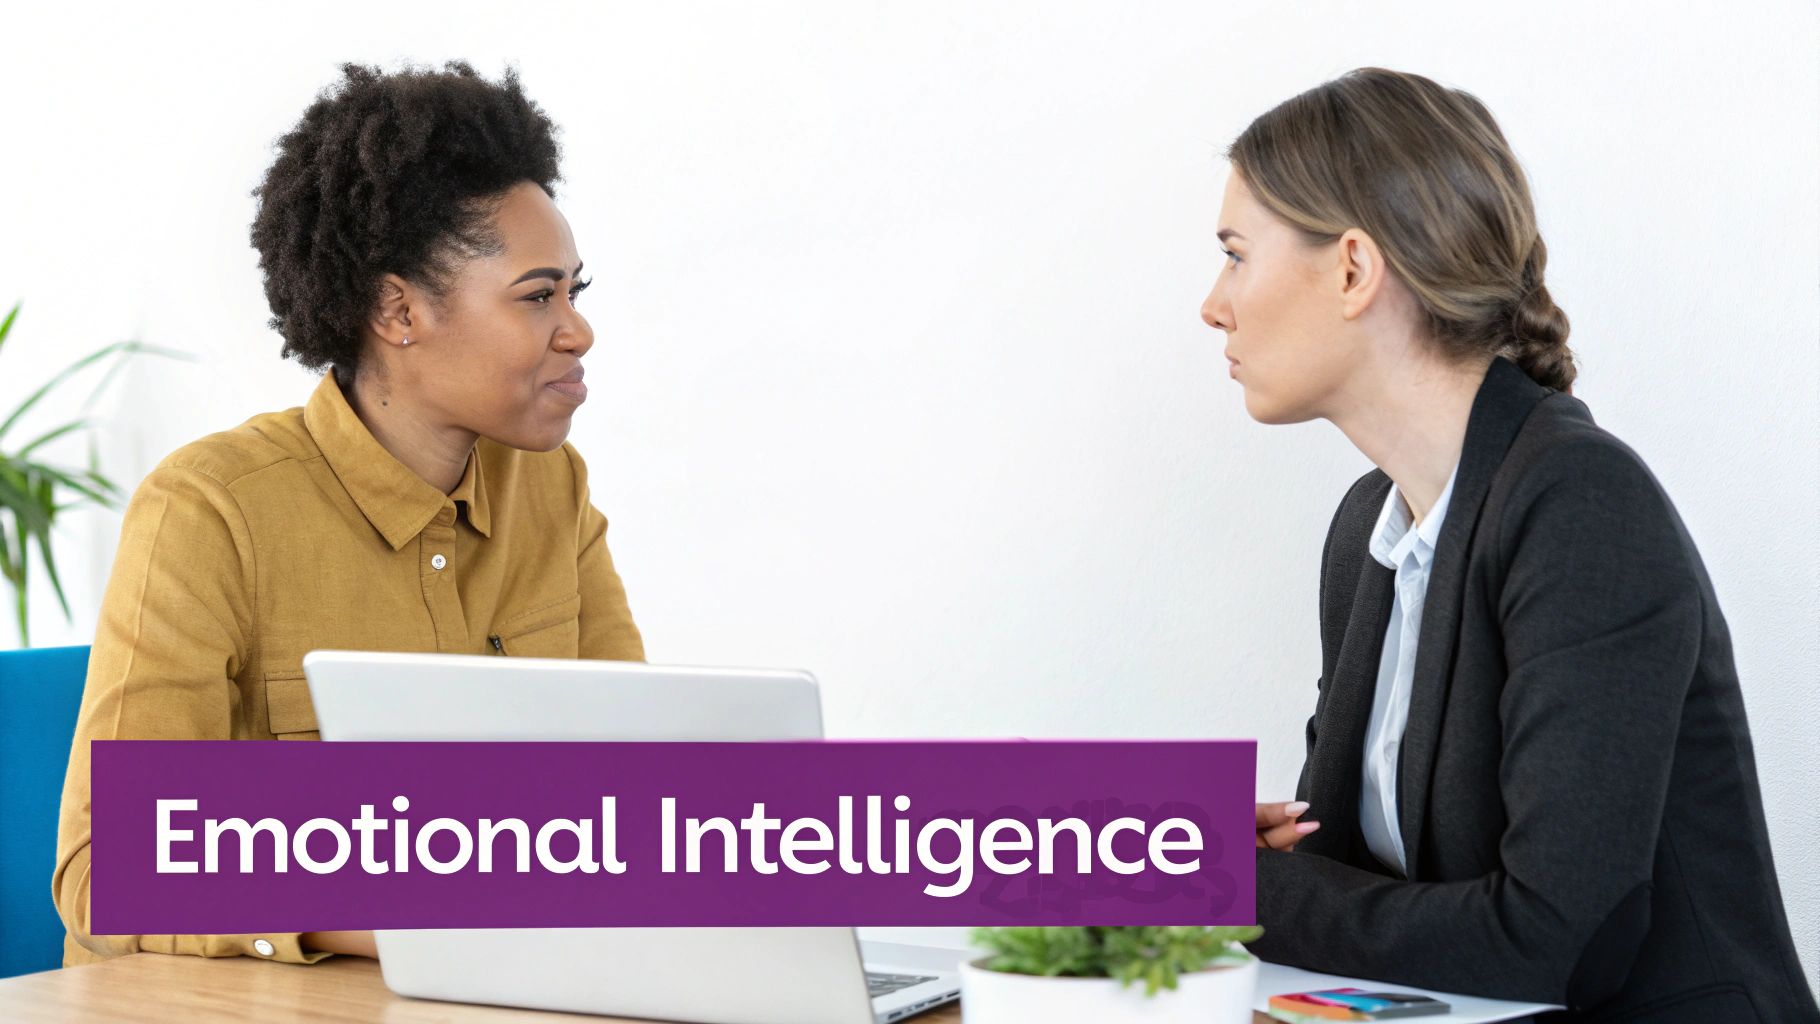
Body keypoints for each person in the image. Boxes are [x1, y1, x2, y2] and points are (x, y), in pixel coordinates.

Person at [1207, 68, 1818, 1022]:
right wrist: (1189, 857)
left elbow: (1552, 943)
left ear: (1355, 269)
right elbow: (1347, 878)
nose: (1215, 303)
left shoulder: (1579, 504)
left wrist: (1230, 888)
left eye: (1237, 254)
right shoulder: (1369, 531)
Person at [52, 61, 644, 966]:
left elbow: (640, 795)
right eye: (537, 296)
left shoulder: (553, 488)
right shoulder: (211, 511)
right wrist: (412, 920)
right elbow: (108, 869)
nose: (578, 330)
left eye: (575, 292)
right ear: (397, 309)